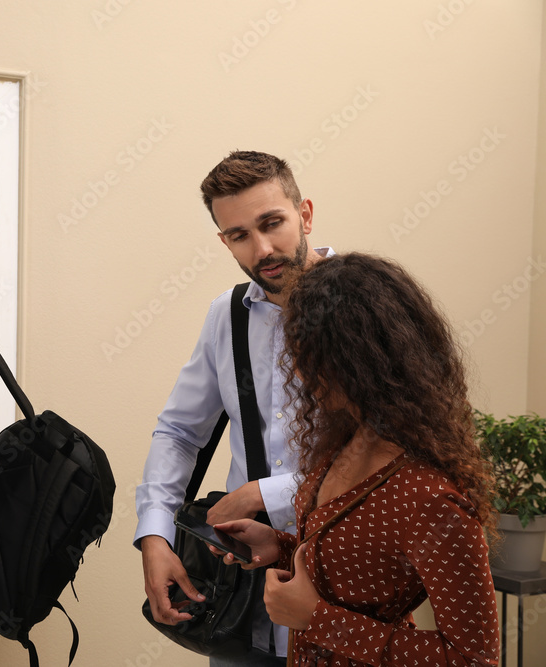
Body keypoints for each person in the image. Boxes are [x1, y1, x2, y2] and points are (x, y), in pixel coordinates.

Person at [215, 253, 501, 665]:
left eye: (314, 358)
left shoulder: (431, 499)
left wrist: (316, 619)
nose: (300, 373)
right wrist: (278, 546)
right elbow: (358, 564)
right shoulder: (345, 441)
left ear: (364, 362)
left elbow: (475, 659)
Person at [134, 150, 333, 665]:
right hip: (241, 601)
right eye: (240, 235)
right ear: (224, 241)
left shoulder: (365, 305)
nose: (263, 248)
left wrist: (261, 493)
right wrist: (156, 532)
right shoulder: (226, 317)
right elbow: (179, 431)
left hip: (340, 591)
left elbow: (389, 455)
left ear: (305, 214)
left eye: (273, 223)